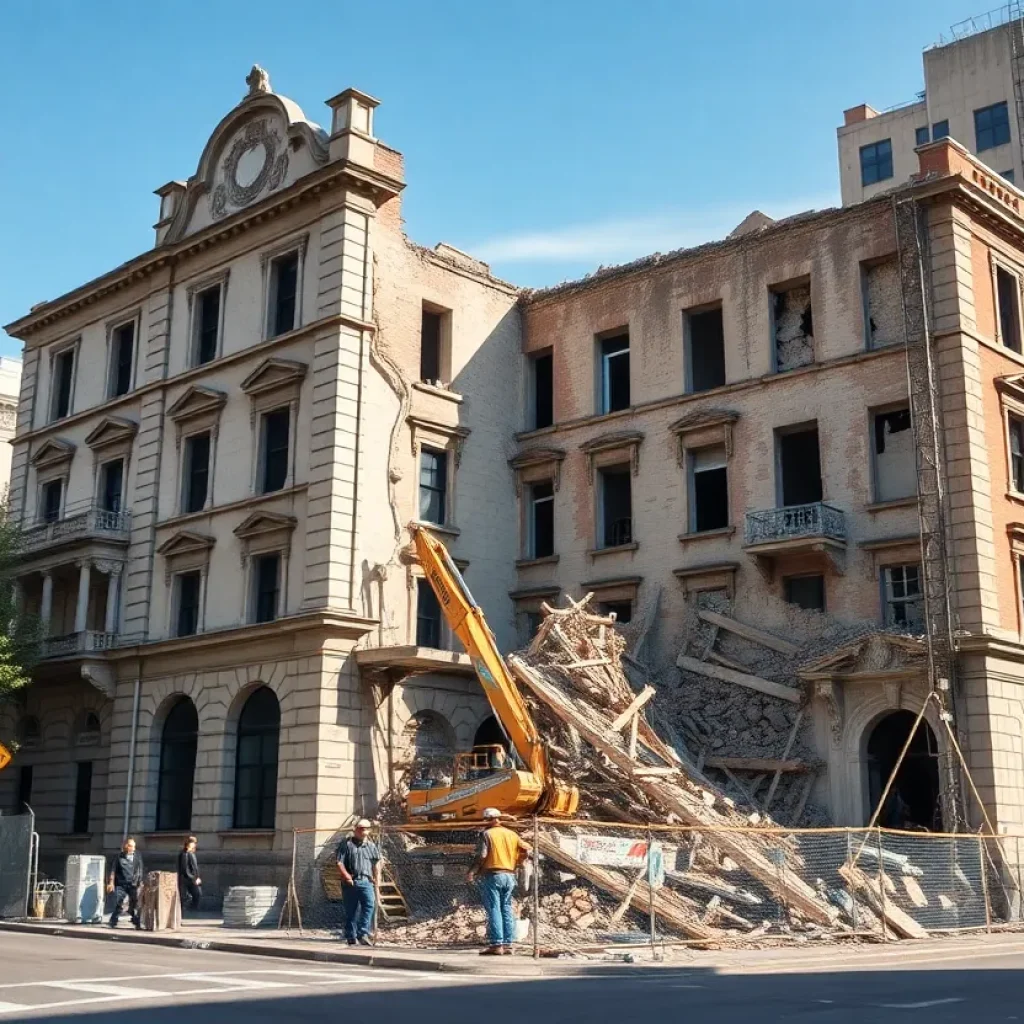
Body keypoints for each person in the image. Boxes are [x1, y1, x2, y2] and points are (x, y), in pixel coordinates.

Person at [466, 808, 530, 955]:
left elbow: (482, 856)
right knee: (506, 907)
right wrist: (519, 862)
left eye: (484, 820)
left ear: (489, 819)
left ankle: (496, 944)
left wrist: (472, 871)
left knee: (494, 908)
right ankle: (508, 943)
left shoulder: (487, 834)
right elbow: (526, 849)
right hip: (510, 875)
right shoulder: (512, 834)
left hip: (493, 875)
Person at [337, 819, 381, 946]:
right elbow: (339, 863)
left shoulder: (371, 847)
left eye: (366, 828)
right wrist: (347, 877)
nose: (363, 831)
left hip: (366, 881)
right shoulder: (346, 845)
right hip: (351, 883)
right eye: (361, 828)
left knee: (369, 905)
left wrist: (376, 881)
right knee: (351, 910)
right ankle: (351, 935)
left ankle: (363, 933)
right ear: (355, 829)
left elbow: (375, 865)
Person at [107, 836, 144, 929]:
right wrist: (111, 883)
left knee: (134, 903)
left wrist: (140, 881)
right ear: (125, 846)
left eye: (134, 846)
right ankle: (113, 920)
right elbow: (113, 870)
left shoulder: (137, 856)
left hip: (133, 884)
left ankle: (136, 920)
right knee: (119, 902)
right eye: (131, 846)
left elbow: (140, 869)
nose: (133, 848)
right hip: (121, 883)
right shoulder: (119, 857)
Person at [177, 836, 202, 913]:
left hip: (192, 878)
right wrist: (193, 879)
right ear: (188, 844)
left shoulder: (191, 853)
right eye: (192, 843)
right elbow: (184, 869)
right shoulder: (184, 854)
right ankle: (186, 911)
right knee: (186, 896)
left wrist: (197, 877)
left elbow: (195, 867)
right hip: (186, 879)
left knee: (198, 894)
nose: (194, 845)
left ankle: (191, 910)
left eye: (194, 843)